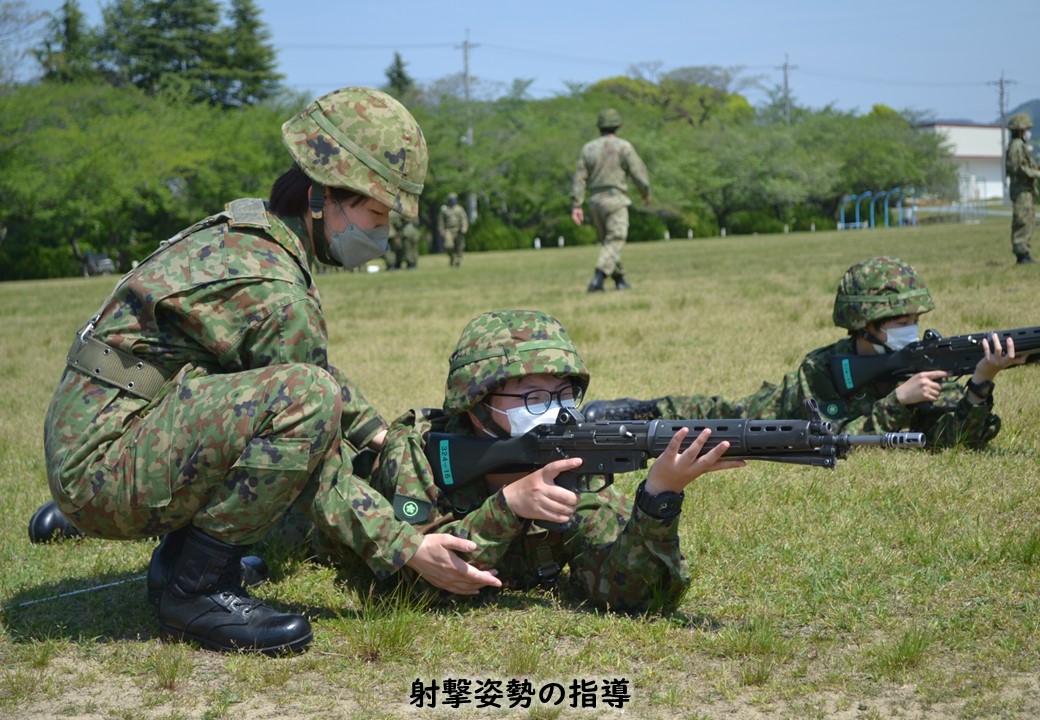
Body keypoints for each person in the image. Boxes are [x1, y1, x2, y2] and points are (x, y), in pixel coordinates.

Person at [40, 86, 499, 655]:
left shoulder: (253, 234)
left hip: (98, 438)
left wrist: (376, 434)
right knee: (304, 402)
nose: (381, 234)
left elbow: (303, 367)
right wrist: (406, 546)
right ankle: (195, 589)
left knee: (301, 394)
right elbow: (313, 447)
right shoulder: (277, 292)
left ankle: (178, 562)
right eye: (375, 213)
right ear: (323, 197)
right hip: (99, 471)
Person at [327, 309, 743, 612]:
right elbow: (414, 586)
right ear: (477, 405)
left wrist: (659, 495)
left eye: (563, 394)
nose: (552, 410)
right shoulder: (416, 454)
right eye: (532, 397)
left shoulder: (571, 461)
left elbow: (632, 593)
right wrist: (508, 507)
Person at [582, 257, 1023, 450]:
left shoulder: (923, 364)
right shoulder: (824, 367)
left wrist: (982, 381)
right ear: (864, 323)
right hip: (778, 411)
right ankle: (625, 413)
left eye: (914, 317)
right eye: (897, 320)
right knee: (717, 414)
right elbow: (832, 437)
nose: (909, 326)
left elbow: (957, 439)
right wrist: (898, 401)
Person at [571, 108, 651, 292]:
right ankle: (598, 279)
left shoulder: (588, 148)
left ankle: (619, 280)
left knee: (608, 244)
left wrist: (577, 204)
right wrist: (645, 193)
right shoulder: (624, 147)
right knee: (616, 240)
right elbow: (639, 173)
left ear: (599, 126)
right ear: (618, 126)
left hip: (595, 202)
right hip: (615, 199)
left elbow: (579, 178)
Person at [1006, 113, 1039, 265]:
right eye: (1026, 129)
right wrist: (1036, 173)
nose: (1027, 132)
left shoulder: (1019, 145)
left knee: (1028, 219)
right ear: (1020, 130)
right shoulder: (1016, 145)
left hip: (1025, 189)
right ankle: (1021, 254)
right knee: (1022, 220)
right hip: (1021, 189)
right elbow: (1017, 168)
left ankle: (1024, 252)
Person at [437, 192, 468, 267]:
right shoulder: (444, 209)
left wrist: (464, 227)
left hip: (458, 230)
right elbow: (441, 221)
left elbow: (464, 219)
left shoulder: (460, 209)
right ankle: (452, 257)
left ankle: (458, 259)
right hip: (448, 230)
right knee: (448, 246)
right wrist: (441, 230)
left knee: (460, 246)